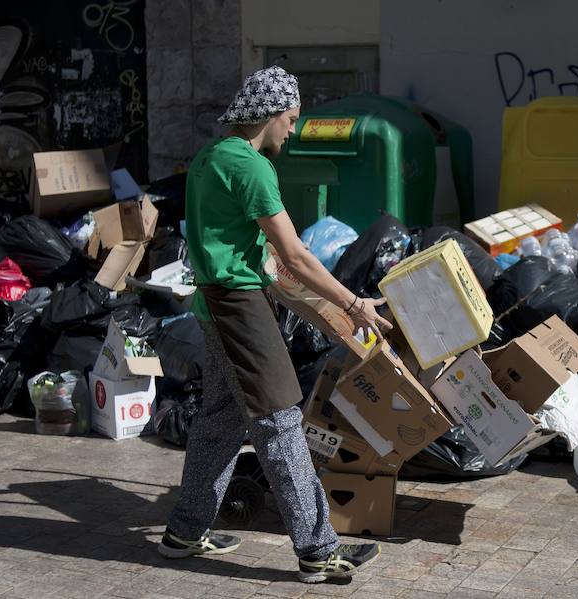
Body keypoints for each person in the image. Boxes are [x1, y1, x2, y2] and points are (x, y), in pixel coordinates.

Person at [158, 65, 392, 584]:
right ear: (269, 115)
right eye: (291, 120)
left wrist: (321, 312)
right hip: (240, 308)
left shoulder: (210, 157)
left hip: (217, 304)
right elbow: (297, 254)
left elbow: (269, 259)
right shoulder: (252, 167)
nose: (291, 130)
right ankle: (318, 551)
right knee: (281, 424)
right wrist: (354, 304)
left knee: (220, 419)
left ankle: (184, 532)